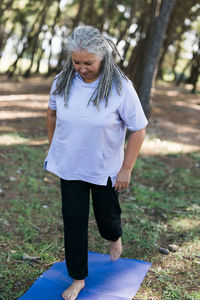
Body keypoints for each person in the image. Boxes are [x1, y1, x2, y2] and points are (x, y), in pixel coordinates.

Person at [44, 25, 148, 300]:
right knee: (74, 222)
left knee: (107, 218)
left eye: (88, 63)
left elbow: (138, 129)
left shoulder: (120, 87)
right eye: (76, 62)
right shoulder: (63, 81)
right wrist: (55, 146)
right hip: (70, 166)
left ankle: (115, 237)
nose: (81, 68)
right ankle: (77, 278)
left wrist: (126, 168)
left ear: (102, 57)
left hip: (105, 169)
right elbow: (51, 113)